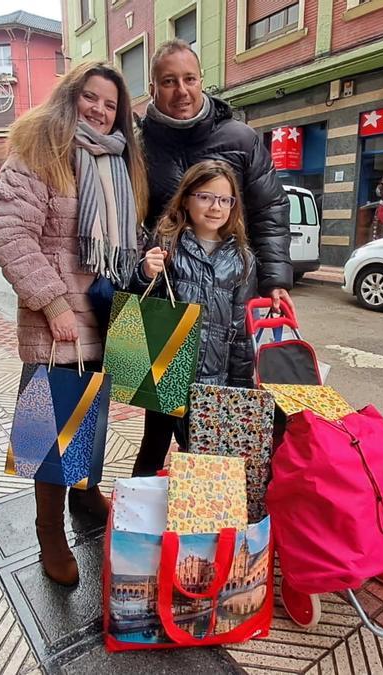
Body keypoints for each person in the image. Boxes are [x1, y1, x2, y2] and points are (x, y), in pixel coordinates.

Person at [0, 62, 147, 586]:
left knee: (93, 419)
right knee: (49, 433)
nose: (100, 110)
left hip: (106, 313)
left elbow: (124, 241)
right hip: (58, 321)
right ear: (70, 97)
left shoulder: (119, 164)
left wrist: (144, 263)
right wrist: (52, 303)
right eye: (91, 98)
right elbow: (10, 231)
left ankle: (86, 492)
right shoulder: (39, 151)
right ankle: (48, 531)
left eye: (110, 103)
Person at [132, 38, 292, 478]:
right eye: (168, 82)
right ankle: (131, 520)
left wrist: (275, 278)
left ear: (202, 81)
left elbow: (270, 209)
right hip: (166, 297)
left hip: (225, 294)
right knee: (157, 420)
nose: (181, 90)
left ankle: (213, 515)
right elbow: (129, 219)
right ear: (153, 88)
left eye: (189, 79)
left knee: (223, 415)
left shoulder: (238, 137)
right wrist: (139, 266)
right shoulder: (139, 145)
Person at [129, 161, 258, 475]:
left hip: (215, 376)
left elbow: (242, 331)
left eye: (225, 200)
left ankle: (189, 520)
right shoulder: (167, 242)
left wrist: (240, 388)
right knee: (153, 448)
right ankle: (136, 519)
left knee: (203, 457)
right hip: (167, 368)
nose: (216, 207)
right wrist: (145, 273)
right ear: (186, 199)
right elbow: (137, 303)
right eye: (205, 197)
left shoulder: (242, 258)